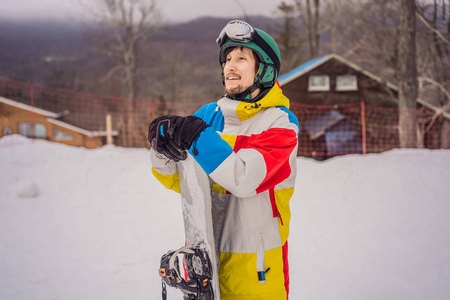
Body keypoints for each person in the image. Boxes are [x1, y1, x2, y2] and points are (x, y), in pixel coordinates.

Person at [148, 20, 299, 300]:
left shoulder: (280, 124)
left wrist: (197, 138)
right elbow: (178, 180)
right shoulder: (209, 115)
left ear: (264, 68)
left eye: (241, 58)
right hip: (204, 269)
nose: (230, 65)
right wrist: (161, 148)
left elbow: (243, 179)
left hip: (255, 277)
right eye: (227, 58)